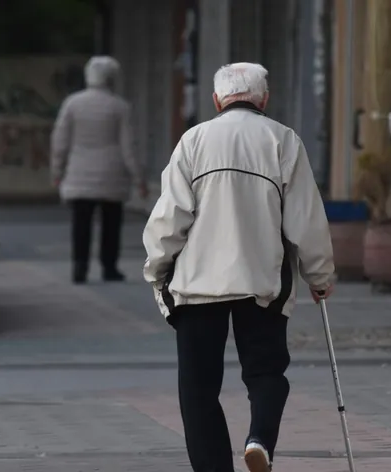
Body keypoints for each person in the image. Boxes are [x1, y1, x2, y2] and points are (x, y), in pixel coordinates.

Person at [142, 62, 335, 472]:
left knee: (198, 387)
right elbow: (305, 218)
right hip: (262, 279)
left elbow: (170, 216)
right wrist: (320, 276)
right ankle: (259, 440)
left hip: (197, 285)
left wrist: (157, 268)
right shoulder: (283, 140)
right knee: (265, 371)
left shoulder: (193, 141)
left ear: (216, 100)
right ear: (264, 99)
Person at [51, 55, 148, 284]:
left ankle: (79, 267)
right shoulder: (119, 106)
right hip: (111, 173)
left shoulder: (72, 104)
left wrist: (57, 171)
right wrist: (138, 178)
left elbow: (60, 141)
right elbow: (128, 146)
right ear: (111, 78)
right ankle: (109, 266)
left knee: (81, 224)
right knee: (111, 224)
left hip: (79, 171)